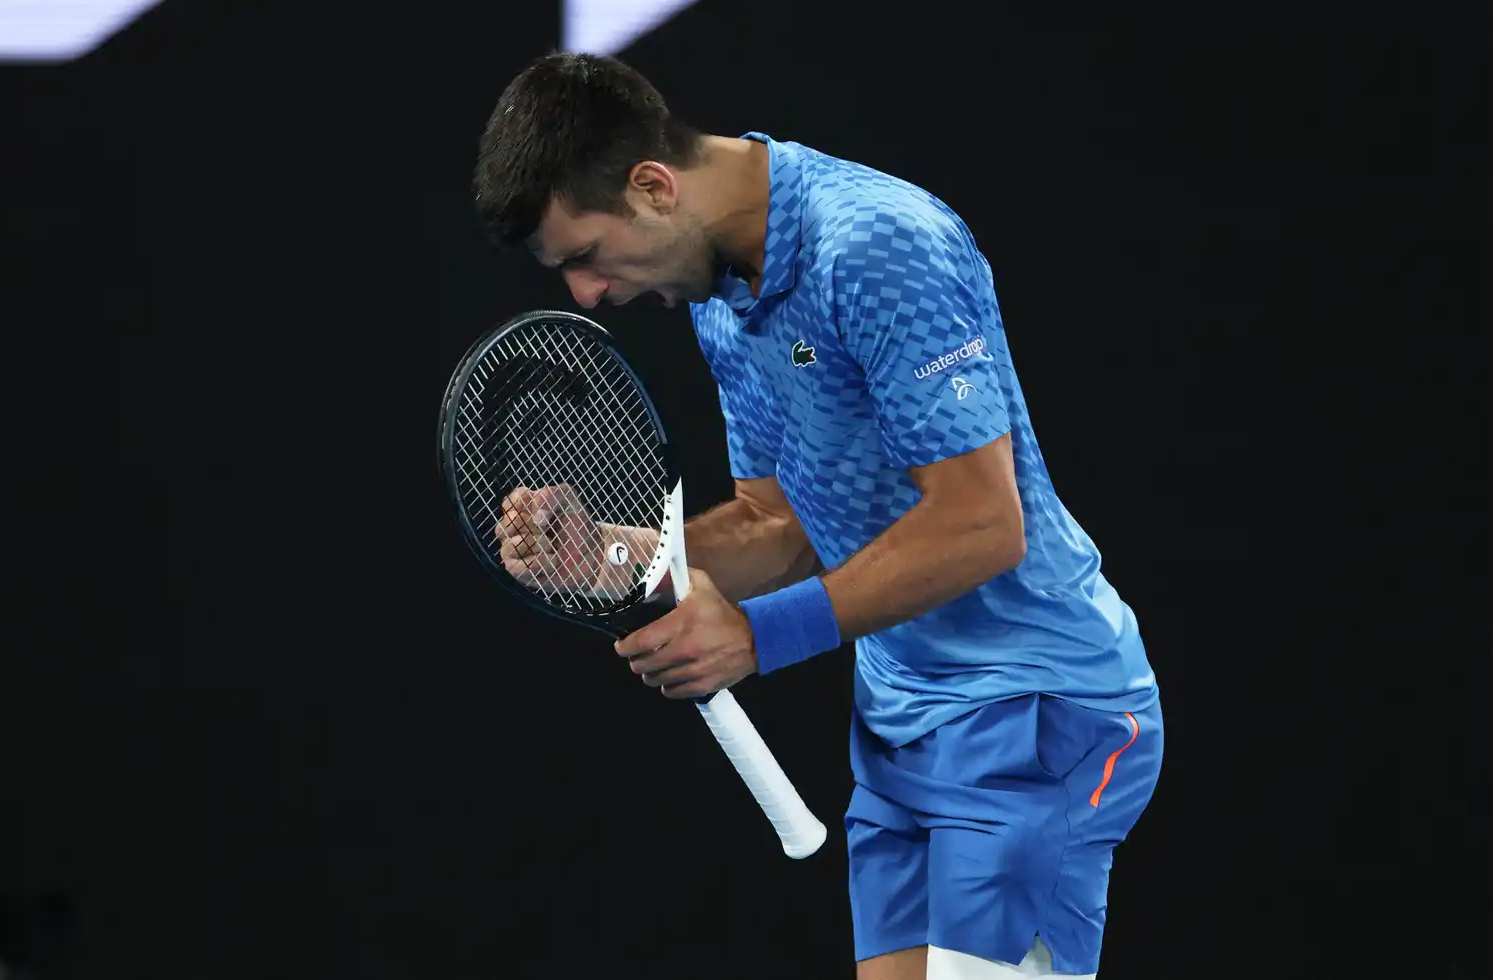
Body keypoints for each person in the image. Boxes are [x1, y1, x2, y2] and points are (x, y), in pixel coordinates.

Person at [474, 52, 1163, 980]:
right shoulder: (720, 300)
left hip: (1035, 708)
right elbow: (780, 524)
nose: (587, 294)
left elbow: (981, 524)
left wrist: (759, 637)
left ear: (652, 185)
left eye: (586, 256)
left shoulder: (876, 245)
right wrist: (615, 552)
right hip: (902, 727)